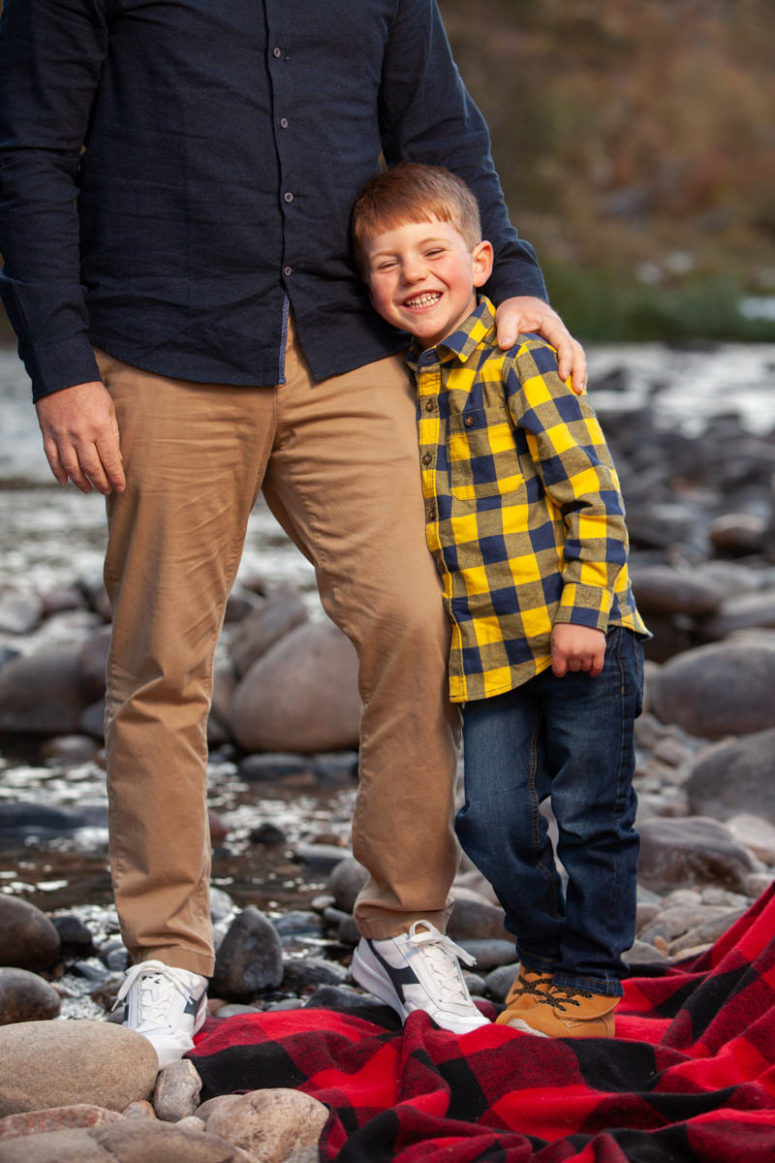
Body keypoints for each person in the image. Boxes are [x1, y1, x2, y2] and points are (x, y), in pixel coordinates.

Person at [0, 1, 586, 1063]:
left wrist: (523, 285)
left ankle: (402, 927)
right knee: (162, 658)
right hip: (159, 340)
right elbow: (30, 152)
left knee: (418, 617)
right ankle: (168, 952)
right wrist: (63, 365)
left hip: (346, 345)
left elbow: (442, 135)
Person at [352, 162, 649, 1038]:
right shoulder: (406, 381)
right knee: (488, 816)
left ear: (482, 261)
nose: (413, 275)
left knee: (593, 810)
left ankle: (588, 972)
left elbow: (595, 494)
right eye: (387, 263)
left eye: (432, 251)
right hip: (485, 651)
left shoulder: (519, 356)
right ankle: (544, 954)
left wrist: (582, 610)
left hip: (576, 634)